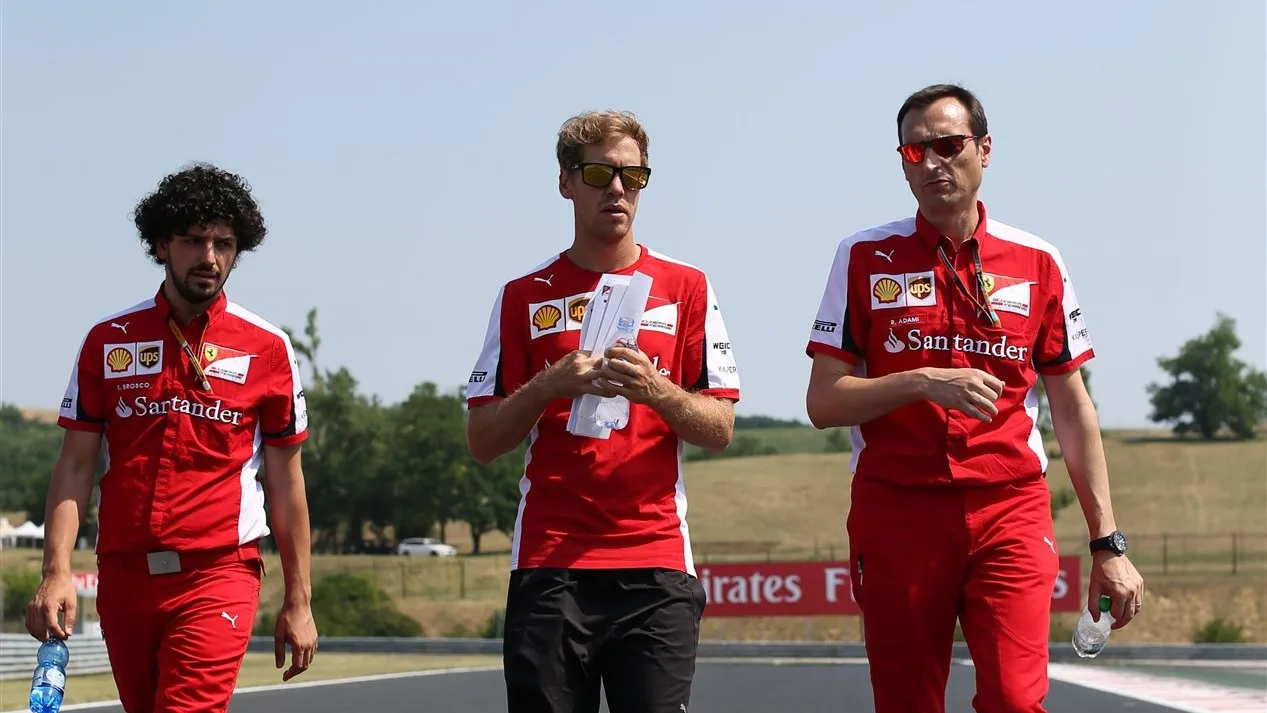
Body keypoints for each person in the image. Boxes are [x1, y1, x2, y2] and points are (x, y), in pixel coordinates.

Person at [804, 84, 1144, 712]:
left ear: (984, 151)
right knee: (908, 702)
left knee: (1016, 700)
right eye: (914, 151)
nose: (931, 162)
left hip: (1008, 507)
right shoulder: (861, 255)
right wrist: (922, 381)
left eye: (948, 145)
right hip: (897, 509)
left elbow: (1071, 408)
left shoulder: (1039, 259)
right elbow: (823, 402)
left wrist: (1107, 542)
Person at [465, 110, 741, 713]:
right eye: (598, 173)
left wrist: (657, 391)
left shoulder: (687, 285)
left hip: (656, 564)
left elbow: (720, 428)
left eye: (632, 175)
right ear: (565, 182)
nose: (617, 189)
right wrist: (547, 385)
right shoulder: (523, 295)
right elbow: (482, 440)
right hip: (550, 561)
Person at [25, 163, 319, 713]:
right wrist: (55, 572)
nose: (209, 257)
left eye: (224, 243)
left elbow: (286, 481)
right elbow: (75, 469)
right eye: (193, 240)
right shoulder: (107, 340)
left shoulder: (269, 347)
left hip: (219, 574)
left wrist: (298, 599)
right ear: (162, 244)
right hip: (123, 577)